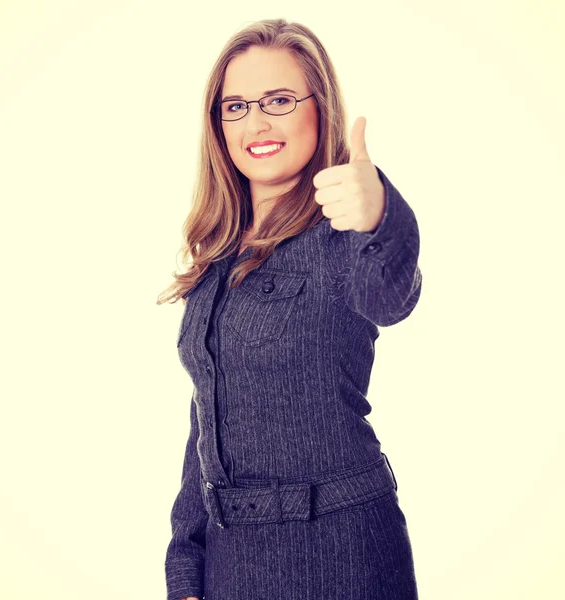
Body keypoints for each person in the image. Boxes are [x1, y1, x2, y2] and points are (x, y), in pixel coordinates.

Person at [157, 18, 422, 600]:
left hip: (342, 557)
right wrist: (186, 570)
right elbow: (206, 422)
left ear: (319, 107)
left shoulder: (343, 231)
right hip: (231, 566)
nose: (255, 123)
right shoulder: (218, 253)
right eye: (236, 106)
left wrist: (379, 212)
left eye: (278, 100)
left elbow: (391, 295)